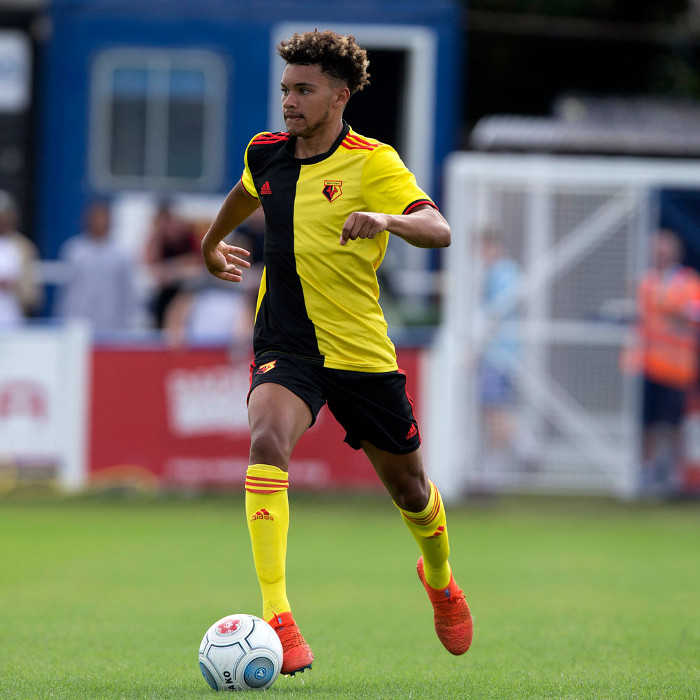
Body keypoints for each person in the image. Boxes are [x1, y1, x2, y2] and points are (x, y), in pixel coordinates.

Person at [200, 30, 472, 675]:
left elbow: (439, 229)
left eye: (304, 90)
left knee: (411, 491)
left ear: (340, 96)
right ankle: (279, 617)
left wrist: (388, 220)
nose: (289, 102)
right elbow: (245, 191)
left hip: (359, 352)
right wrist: (211, 244)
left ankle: (439, 579)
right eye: (286, 90)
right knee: (266, 442)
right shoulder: (265, 154)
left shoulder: (373, 162)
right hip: (286, 345)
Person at [633, 229, 700, 495]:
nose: (658, 255)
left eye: (663, 250)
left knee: (675, 423)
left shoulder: (688, 282)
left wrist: (674, 313)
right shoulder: (646, 281)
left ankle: (676, 475)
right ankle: (646, 472)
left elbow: (693, 314)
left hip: (676, 367)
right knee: (646, 422)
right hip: (647, 363)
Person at [55, 200, 137, 333]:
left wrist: (128, 324)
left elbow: (128, 293)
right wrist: (64, 321)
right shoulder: (74, 250)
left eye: (103, 218)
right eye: (96, 218)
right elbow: (65, 291)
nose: (99, 222)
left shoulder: (122, 254)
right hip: (79, 323)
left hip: (112, 325)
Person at [143, 200, 200, 328]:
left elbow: (195, 264)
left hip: (188, 292)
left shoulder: (188, 236)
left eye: (168, 221)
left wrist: (170, 270)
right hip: (164, 294)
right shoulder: (157, 240)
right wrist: (158, 237)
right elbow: (153, 270)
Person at [0, 190, 42, 327]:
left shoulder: (24, 247)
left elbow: (32, 292)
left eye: (5, 215)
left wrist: (14, 285)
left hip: (14, 319)